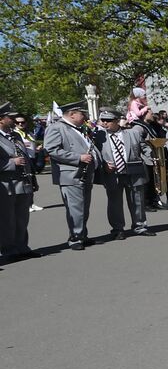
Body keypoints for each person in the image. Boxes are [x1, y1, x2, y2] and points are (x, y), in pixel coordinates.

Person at [44, 101, 98, 249]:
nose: (85, 116)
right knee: (75, 208)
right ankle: (75, 238)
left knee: (84, 208)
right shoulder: (56, 128)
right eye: (82, 113)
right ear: (72, 114)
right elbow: (52, 150)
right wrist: (78, 157)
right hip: (70, 174)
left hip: (85, 173)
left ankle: (82, 235)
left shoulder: (80, 128)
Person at [94, 109, 154, 239]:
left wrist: (153, 158)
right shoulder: (99, 136)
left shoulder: (133, 133)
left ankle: (140, 226)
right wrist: (103, 164)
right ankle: (117, 229)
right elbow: (95, 154)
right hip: (113, 174)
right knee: (114, 203)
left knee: (137, 201)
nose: (104, 123)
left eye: (108, 120)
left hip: (134, 172)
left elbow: (145, 148)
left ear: (117, 121)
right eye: (103, 120)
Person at [0, 100, 40, 260]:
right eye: (10, 117)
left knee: (22, 218)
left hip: (24, 183)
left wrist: (32, 178)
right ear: (1, 119)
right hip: (6, 184)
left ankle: (22, 247)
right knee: (7, 219)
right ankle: (8, 250)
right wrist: (11, 163)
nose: (14, 120)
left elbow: (26, 158)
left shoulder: (15, 135)